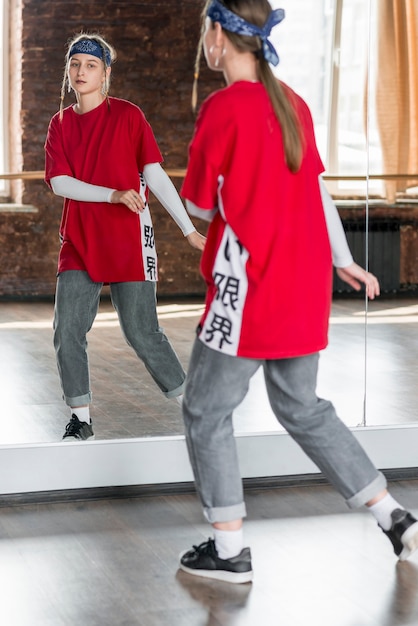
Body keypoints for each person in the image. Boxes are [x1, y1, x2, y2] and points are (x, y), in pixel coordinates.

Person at [178, 0, 418, 584]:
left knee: (204, 410)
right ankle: (399, 522)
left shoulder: (224, 107)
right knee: (302, 407)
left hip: (250, 284)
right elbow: (315, 192)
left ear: (217, 35)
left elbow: (198, 207)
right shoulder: (295, 103)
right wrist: (344, 260)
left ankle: (229, 550)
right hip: (303, 279)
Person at [44, 33, 206, 441]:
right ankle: (80, 417)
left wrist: (188, 229)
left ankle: (196, 409)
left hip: (129, 237)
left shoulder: (129, 116)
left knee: (141, 330)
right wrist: (112, 193)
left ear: (106, 72)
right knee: (67, 331)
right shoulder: (60, 124)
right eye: (75, 64)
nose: (81, 72)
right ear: (68, 70)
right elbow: (61, 183)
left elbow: (154, 174)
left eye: (91, 65)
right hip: (79, 240)